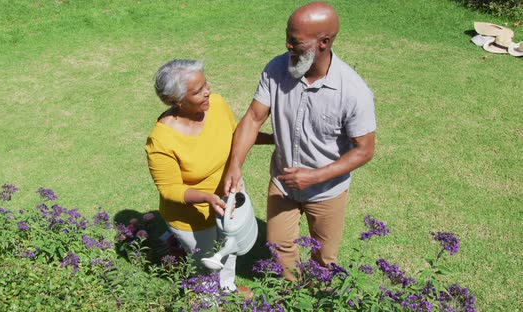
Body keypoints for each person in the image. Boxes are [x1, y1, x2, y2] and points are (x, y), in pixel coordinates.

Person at [224, 2, 376, 280]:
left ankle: (318, 299)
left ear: (324, 42)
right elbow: (253, 118)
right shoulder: (276, 69)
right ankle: (291, 296)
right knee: (279, 248)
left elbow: (365, 150)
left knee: (324, 259)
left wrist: (315, 176)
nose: (287, 46)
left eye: (295, 41)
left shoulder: (353, 91)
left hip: (327, 192)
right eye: (287, 37)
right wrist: (235, 165)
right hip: (282, 184)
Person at [145, 59, 270, 292]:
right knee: (205, 264)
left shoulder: (216, 105)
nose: (208, 92)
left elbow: (236, 134)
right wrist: (207, 198)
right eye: (198, 91)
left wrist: (274, 139)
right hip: (192, 217)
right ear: (177, 101)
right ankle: (206, 301)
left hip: (225, 201)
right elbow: (169, 189)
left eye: (206, 84)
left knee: (228, 247)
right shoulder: (161, 141)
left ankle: (227, 288)